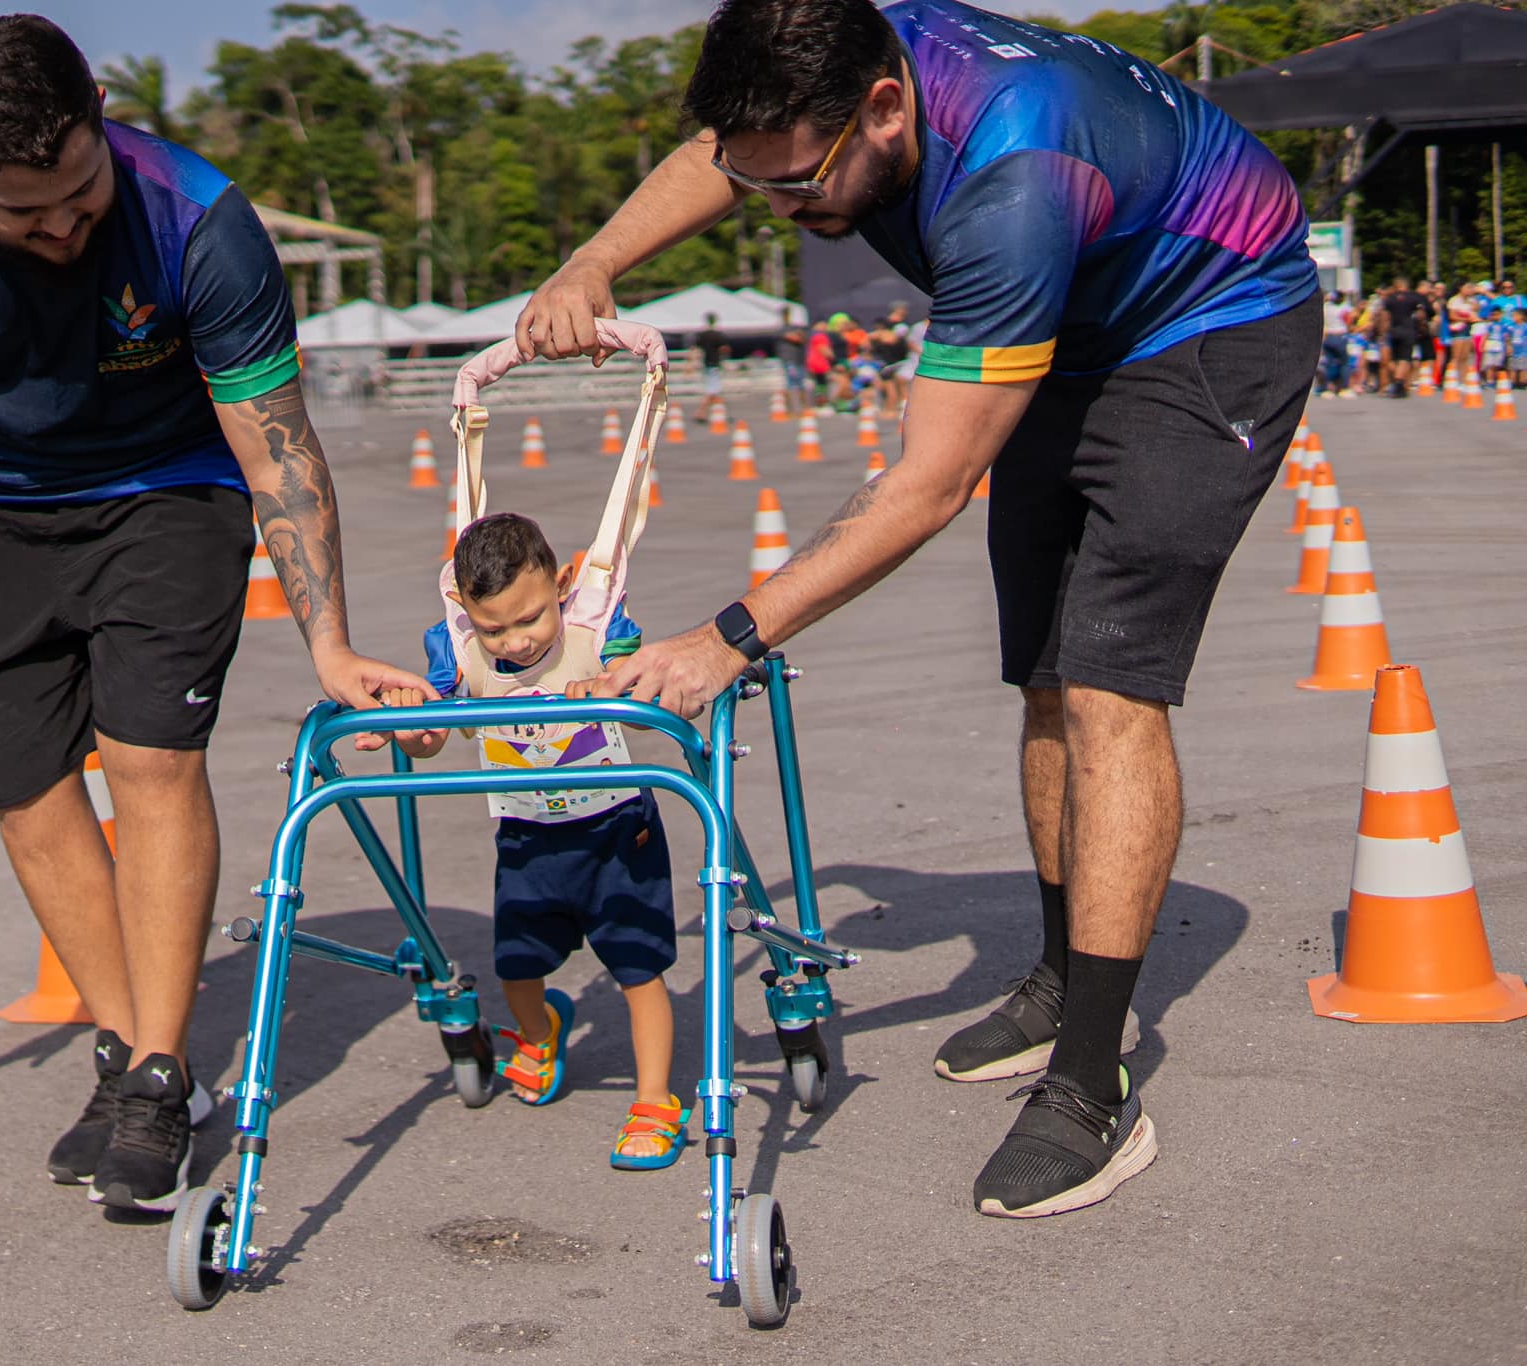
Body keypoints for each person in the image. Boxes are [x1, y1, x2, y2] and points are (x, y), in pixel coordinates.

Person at [515, 0, 1319, 1218]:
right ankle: (1060, 969)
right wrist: (590, 262)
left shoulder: (1013, 180)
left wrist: (727, 638)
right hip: (1076, 324)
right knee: (1042, 674)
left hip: (1208, 325)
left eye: (802, 186)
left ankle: (1093, 1084)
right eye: (761, 185)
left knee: (1108, 684)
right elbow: (723, 154)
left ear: (885, 108)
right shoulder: (831, 51)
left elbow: (924, 486)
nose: (783, 212)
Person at [0, 15, 429, 1216]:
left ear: (102, 111)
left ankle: (165, 1075)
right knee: (25, 785)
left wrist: (326, 641)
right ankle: (121, 1055)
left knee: (149, 757)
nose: (61, 227)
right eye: (23, 213)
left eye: (77, 192)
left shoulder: (195, 220)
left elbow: (276, 455)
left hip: (167, 492)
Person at [380, 514, 689, 1170]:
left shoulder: (592, 637)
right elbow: (432, 735)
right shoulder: (461, 655)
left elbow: (633, 674)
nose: (516, 642)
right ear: (465, 612)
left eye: (530, 619)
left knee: (638, 968)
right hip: (526, 835)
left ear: (563, 585)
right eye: (494, 627)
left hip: (614, 832)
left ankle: (657, 1098)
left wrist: (606, 686)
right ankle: (542, 1030)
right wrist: (404, 727)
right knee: (517, 963)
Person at [1379, 276, 1427, 397]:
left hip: (1394, 331)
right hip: (1408, 330)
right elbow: (1421, 315)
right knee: (1405, 359)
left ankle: (1397, 382)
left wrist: (1383, 332)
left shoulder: (1389, 299)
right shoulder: (1414, 297)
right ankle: (1399, 383)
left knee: (1393, 359)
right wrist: (1421, 326)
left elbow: (1385, 317)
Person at [777, 306, 811, 412]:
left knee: (801, 384)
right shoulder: (781, 329)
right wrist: (798, 335)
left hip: (799, 360)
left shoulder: (795, 327)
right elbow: (795, 338)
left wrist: (799, 335)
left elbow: (804, 338)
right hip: (789, 360)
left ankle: (805, 408)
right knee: (791, 384)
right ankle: (790, 409)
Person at [1318, 290, 1350, 397]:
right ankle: (1343, 388)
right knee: (1344, 363)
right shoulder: (1345, 307)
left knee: (1329, 363)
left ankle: (1328, 387)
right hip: (1340, 335)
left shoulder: (1326, 307)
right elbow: (1349, 321)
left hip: (1329, 336)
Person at [696, 312, 730, 397]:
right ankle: (713, 394)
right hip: (715, 360)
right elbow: (724, 348)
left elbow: (697, 346)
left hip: (707, 360)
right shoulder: (718, 335)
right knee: (714, 379)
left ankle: (711, 393)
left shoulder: (703, 335)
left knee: (709, 379)